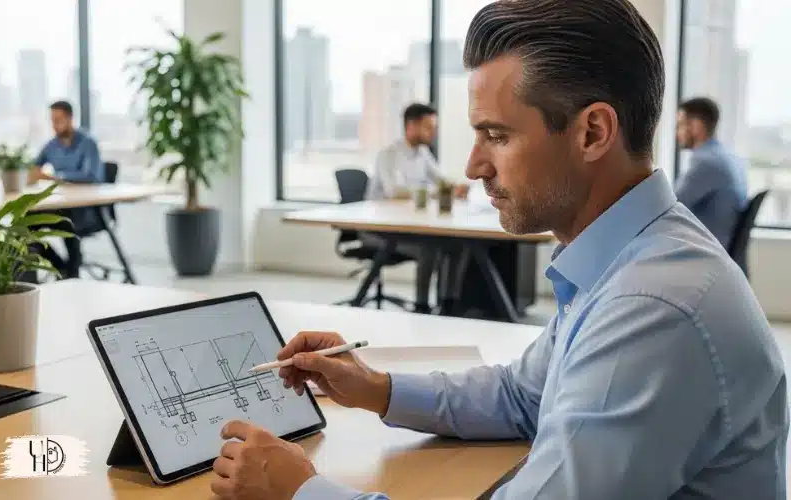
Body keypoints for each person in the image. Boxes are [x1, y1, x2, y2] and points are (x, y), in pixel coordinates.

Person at [210, 1, 788, 499]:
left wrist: (301, 490)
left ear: (592, 133)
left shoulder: (654, 307)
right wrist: (376, 387)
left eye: (497, 135)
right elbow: (520, 395)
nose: (473, 165)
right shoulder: (630, 256)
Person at [363, 103, 468, 314]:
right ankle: (422, 307)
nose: (433, 132)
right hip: (378, 230)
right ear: (411, 126)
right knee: (429, 249)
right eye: (428, 127)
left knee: (457, 246)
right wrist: (435, 192)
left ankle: (449, 304)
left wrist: (455, 187)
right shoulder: (389, 154)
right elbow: (394, 191)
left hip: (407, 226)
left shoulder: (422, 153)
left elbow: (440, 180)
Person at [29, 100, 105, 278]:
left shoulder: (87, 143)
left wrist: (56, 177)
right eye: (52, 120)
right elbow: (34, 167)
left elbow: (92, 177)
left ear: (70, 118)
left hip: (86, 211)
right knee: (25, 223)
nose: (55, 125)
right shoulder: (52, 145)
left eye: (59, 120)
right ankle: (59, 266)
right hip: (60, 205)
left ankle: (72, 272)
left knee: (66, 220)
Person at [675, 97, 748, 247]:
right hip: (719, 247)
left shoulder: (706, 163)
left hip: (705, 250)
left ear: (696, 126)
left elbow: (668, 205)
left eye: (680, 125)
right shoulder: (729, 157)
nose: (677, 133)